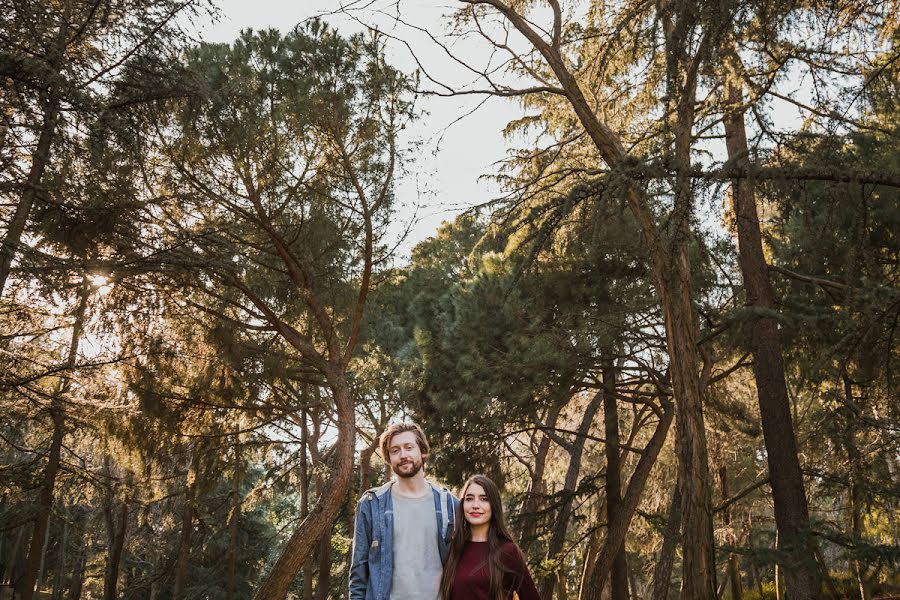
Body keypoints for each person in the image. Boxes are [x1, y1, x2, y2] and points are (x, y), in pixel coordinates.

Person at [349, 422, 459, 600]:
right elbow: (358, 573)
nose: (403, 455)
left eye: (409, 447)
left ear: (422, 452)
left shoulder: (450, 505)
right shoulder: (372, 505)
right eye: (395, 450)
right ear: (388, 458)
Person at [438, 474, 541, 600]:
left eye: (484, 499)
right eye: (469, 499)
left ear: (494, 506)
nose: (475, 505)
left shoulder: (508, 551)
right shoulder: (454, 549)